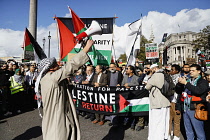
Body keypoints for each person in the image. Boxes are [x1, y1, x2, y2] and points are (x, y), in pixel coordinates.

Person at [35, 40, 94, 140]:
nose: (59, 65)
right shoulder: (52, 78)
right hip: (58, 121)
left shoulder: (46, 79)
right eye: (56, 64)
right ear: (51, 68)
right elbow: (70, 67)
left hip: (57, 117)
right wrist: (86, 49)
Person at [175, 64, 208, 140]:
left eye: (193, 70)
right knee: (189, 132)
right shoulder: (188, 80)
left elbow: (198, 91)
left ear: (199, 71)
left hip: (196, 109)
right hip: (186, 108)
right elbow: (178, 91)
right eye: (190, 70)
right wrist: (179, 84)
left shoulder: (202, 81)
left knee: (199, 133)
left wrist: (186, 83)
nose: (191, 72)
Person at [145, 64, 170, 140]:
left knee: (156, 121)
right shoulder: (166, 75)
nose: (151, 70)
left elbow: (147, 87)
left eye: (151, 69)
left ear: (155, 68)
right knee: (164, 121)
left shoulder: (155, 76)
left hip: (157, 101)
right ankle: (165, 136)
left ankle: (157, 137)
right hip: (165, 100)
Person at [168, 64, 181, 140]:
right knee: (169, 119)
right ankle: (169, 133)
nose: (171, 71)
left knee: (176, 120)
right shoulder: (169, 78)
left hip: (176, 101)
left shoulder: (180, 79)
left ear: (177, 71)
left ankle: (176, 135)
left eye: (173, 70)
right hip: (169, 101)